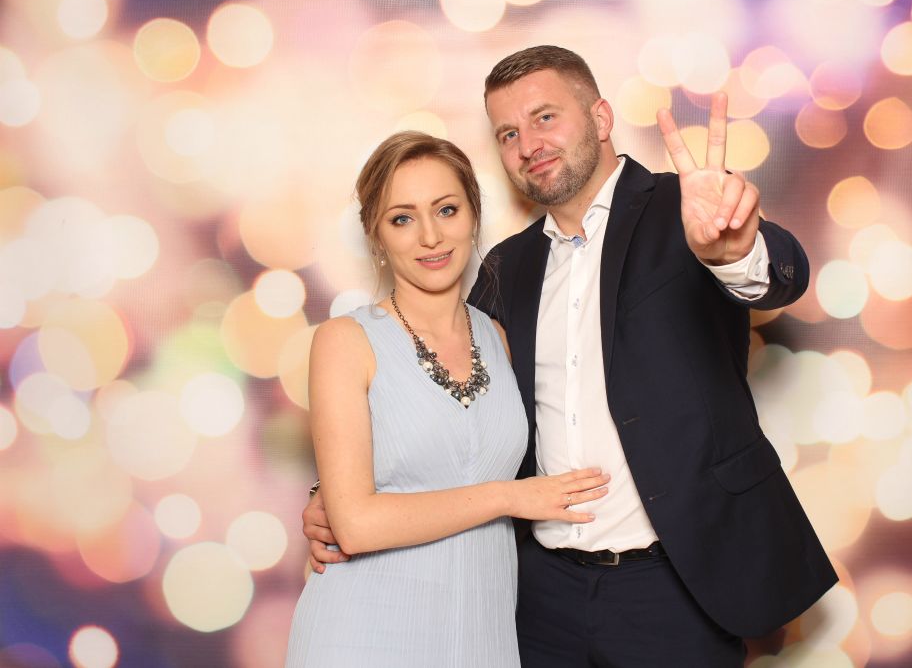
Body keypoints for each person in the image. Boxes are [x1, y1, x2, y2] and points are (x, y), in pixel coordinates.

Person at [305, 47, 838, 666]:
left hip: (676, 588)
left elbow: (782, 275)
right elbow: (445, 391)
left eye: (545, 117)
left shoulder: (687, 211)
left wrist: (736, 251)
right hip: (538, 597)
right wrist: (338, 488)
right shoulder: (508, 266)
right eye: (508, 133)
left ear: (601, 118)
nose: (528, 144)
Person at [286, 131, 611, 668]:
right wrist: (509, 497)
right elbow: (356, 525)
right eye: (402, 218)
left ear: (473, 215)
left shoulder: (499, 337)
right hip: (364, 636)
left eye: (446, 209)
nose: (431, 236)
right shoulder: (345, 341)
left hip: (483, 637)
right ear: (375, 236)